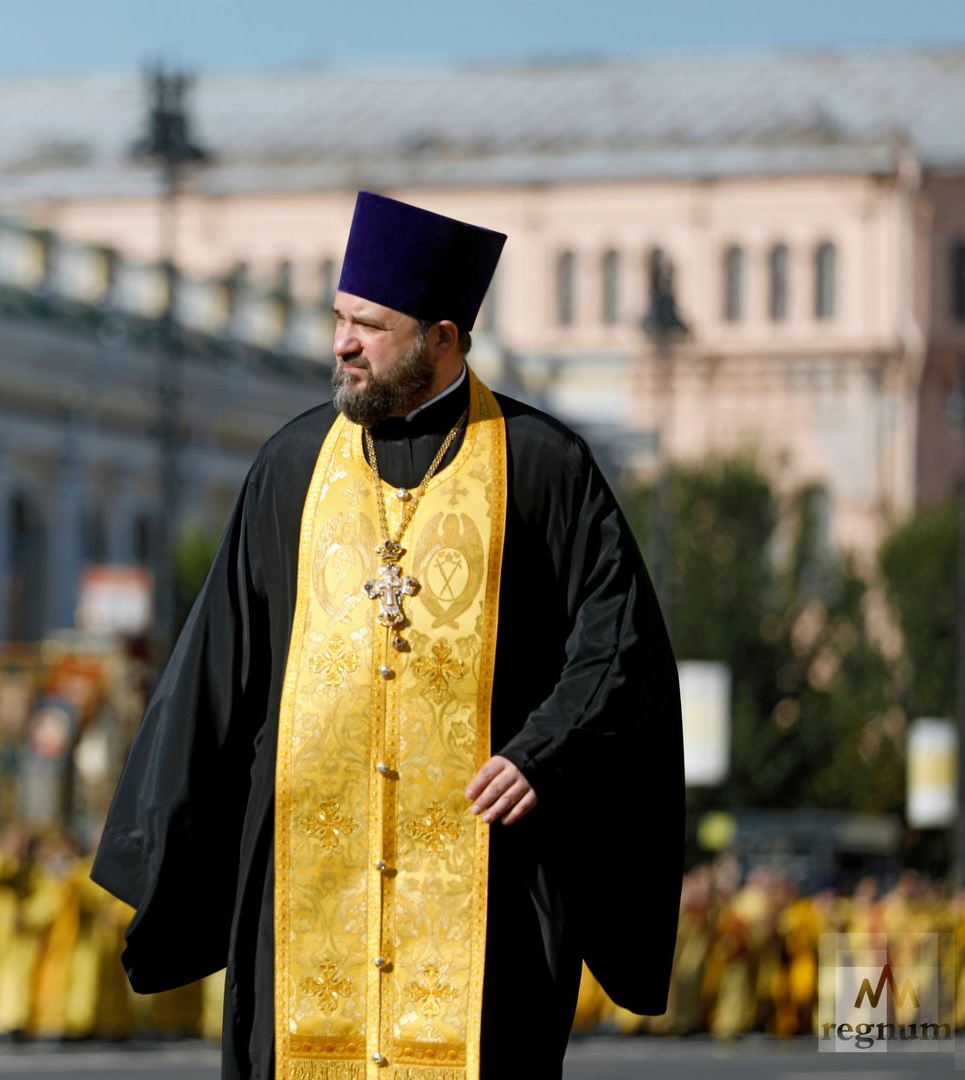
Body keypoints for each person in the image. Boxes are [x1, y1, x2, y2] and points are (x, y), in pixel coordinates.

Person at [93, 191, 684, 1079]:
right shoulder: (291, 467)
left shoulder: (544, 466)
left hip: (487, 889)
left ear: (443, 337)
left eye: (369, 324)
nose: (342, 343)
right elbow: (217, 667)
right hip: (304, 886)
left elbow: (619, 641)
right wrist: (159, 845)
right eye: (338, 318)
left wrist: (543, 751)